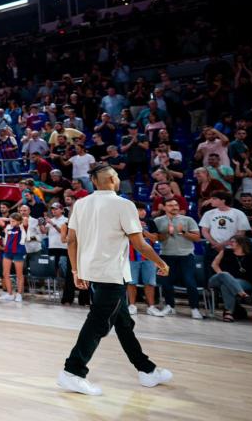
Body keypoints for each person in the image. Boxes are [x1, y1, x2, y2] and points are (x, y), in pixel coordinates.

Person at [57, 163, 172, 396]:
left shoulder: (80, 204)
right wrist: (160, 262)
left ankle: (146, 370)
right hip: (111, 273)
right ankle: (73, 372)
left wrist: (76, 271)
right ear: (111, 179)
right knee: (99, 323)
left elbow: (71, 240)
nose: (118, 178)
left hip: (92, 272)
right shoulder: (124, 204)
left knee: (123, 323)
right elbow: (139, 243)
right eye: (117, 175)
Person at [153, 198, 204, 319]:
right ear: (164, 207)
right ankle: (170, 306)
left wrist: (183, 232)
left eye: (176, 205)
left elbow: (197, 238)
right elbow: (157, 239)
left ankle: (194, 308)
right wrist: (167, 233)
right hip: (166, 256)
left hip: (186, 256)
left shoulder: (188, 220)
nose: (174, 207)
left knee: (189, 281)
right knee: (166, 282)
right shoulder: (157, 221)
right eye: (170, 205)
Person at [208, 235, 252, 322]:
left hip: (243, 281)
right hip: (218, 279)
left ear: (241, 243)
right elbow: (214, 264)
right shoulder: (225, 252)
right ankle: (243, 294)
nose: (230, 243)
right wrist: (223, 276)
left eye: (233, 241)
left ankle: (228, 313)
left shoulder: (251, 256)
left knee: (225, 286)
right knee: (225, 275)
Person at [126, 206, 162, 316]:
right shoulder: (127, 221)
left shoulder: (150, 222)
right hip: (132, 256)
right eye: (139, 209)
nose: (143, 212)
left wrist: (144, 231)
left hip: (149, 257)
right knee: (132, 282)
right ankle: (132, 305)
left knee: (150, 282)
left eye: (144, 209)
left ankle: (151, 307)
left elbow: (155, 238)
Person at [0, 213, 27, 302]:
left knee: (19, 275)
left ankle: (19, 294)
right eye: (10, 221)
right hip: (8, 252)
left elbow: (25, 219)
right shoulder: (8, 227)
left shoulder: (22, 227)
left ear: (19, 221)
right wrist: (10, 219)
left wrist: (17, 219)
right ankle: (10, 294)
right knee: (5, 273)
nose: (11, 223)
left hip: (18, 252)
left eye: (13, 221)